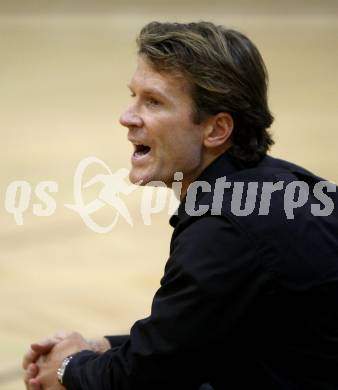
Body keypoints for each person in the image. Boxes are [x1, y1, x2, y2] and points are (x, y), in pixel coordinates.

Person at [23, 21, 338, 389]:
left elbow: (146, 376)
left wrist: (69, 368)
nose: (127, 117)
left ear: (216, 130)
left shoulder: (225, 227)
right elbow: (191, 339)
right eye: (133, 96)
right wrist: (99, 347)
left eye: (153, 102)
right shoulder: (273, 183)